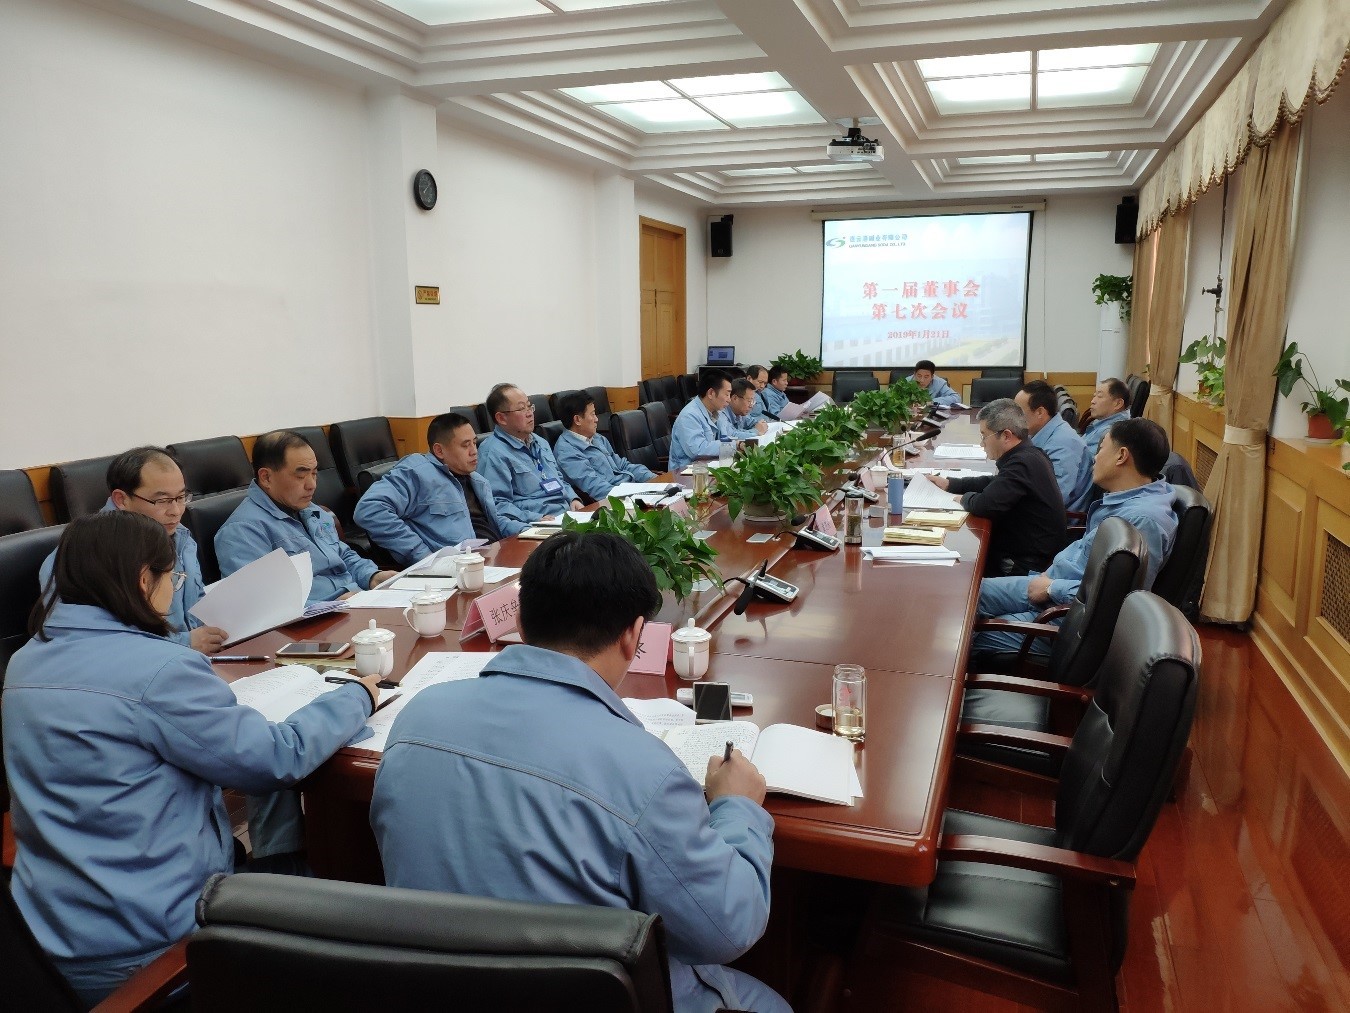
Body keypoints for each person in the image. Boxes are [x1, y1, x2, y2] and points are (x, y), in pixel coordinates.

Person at [371, 530, 788, 1013]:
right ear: (633, 635)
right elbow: (729, 929)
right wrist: (737, 807)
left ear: (520, 622)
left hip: (435, 990)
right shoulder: (645, 771)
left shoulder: (418, 716)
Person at [3, 512, 380, 1006]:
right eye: (174, 577)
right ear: (144, 579)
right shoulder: (158, 669)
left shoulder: (25, 661)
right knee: (351, 935)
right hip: (154, 943)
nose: (175, 587)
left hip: (52, 927)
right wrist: (356, 696)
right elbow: (274, 758)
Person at [972, 417, 1177, 657]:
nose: (1095, 458)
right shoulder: (1127, 499)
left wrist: (1052, 588)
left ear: (1121, 456)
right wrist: (1049, 577)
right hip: (1052, 587)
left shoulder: (1142, 521)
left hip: (1066, 618)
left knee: (963, 635)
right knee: (967, 594)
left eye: (1101, 449)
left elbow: (1117, 597)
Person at [37, 446, 227, 654]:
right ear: (122, 500)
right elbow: (86, 643)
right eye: (162, 501)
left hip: (197, 657)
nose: (176, 511)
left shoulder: (180, 536)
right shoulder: (73, 560)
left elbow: (195, 603)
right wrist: (185, 642)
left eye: (181, 497)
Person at [216, 430, 398, 603]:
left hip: (356, 601)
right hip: (319, 618)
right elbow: (260, 605)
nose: (312, 485)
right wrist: (328, 606)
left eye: (314, 473)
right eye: (301, 476)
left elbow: (342, 555)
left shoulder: (311, 510)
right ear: (266, 477)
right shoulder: (242, 532)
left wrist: (372, 576)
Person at [932, 399, 1066, 576]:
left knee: (956, 573)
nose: (981, 444)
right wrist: (951, 484)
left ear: (1006, 436)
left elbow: (985, 505)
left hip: (1023, 566)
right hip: (1026, 553)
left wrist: (963, 498)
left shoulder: (1022, 464)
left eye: (984, 436)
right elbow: (995, 482)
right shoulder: (1029, 454)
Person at [353, 412, 503, 568]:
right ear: (439, 451)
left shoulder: (477, 479)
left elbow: (495, 521)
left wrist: (517, 531)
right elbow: (369, 509)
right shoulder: (416, 472)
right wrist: (423, 555)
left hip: (492, 557)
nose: (474, 451)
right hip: (455, 568)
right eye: (465, 445)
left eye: (474, 442)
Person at [477, 383, 583, 535]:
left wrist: (573, 499)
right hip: (537, 526)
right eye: (521, 409)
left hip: (567, 517)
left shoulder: (540, 442)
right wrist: (535, 519)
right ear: (501, 418)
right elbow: (497, 506)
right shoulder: (492, 453)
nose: (529, 413)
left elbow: (560, 479)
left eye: (529, 406)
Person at [552, 391, 657, 503]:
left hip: (632, 489)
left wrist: (652, 478)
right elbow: (596, 488)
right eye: (592, 414)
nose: (596, 419)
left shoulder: (597, 438)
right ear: (577, 420)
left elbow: (622, 465)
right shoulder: (566, 451)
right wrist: (635, 496)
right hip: (617, 501)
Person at [1015, 380, 1094, 511]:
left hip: (1059, 519)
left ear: (1040, 412)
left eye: (1019, 412)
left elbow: (1053, 500)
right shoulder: (1038, 432)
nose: (1014, 417)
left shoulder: (1063, 445)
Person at [669, 370, 734, 472]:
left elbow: (729, 435)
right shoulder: (689, 416)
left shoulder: (718, 412)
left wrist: (744, 442)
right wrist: (733, 445)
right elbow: (697, 450)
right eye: (727, 394)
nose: (729, 400)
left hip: (709, 467)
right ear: (711, 393)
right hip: (685, 474)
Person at [1080, 377, 1132, 458]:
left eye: (1099, 396)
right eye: (1094, 396)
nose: (1092, 401)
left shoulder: (1111, 433)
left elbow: (1084, 463)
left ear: (1118, 404)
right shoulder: (1102, 422)